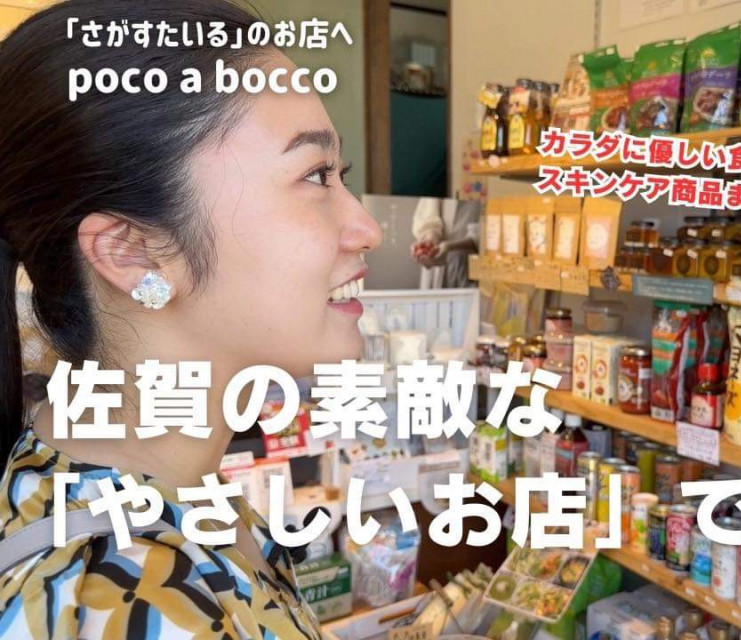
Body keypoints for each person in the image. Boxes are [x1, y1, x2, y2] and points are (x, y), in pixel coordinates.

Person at [0, 0, 381, 637]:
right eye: (316, 175)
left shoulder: (153, 488)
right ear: (133, 252)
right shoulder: (129, 603)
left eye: (339, 173)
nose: (366, 228)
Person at [410, 197, 480, 289]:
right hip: (436, 266)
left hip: (475, 264)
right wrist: (430, 239)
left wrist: (452, 247)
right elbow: (430, 206)